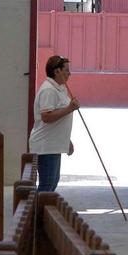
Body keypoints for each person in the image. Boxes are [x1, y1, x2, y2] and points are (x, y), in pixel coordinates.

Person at [29, 55, 80, 192]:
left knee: (52, 183)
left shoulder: (60, 88)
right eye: (66, 70)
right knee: (47, 185)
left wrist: (66, 140)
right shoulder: (48, 90)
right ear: (57, 71)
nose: (69, 73)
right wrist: (69, 108)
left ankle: (38, 211)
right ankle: (37, 213)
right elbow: (46, 117)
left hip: (54, 144)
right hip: (46, 146)